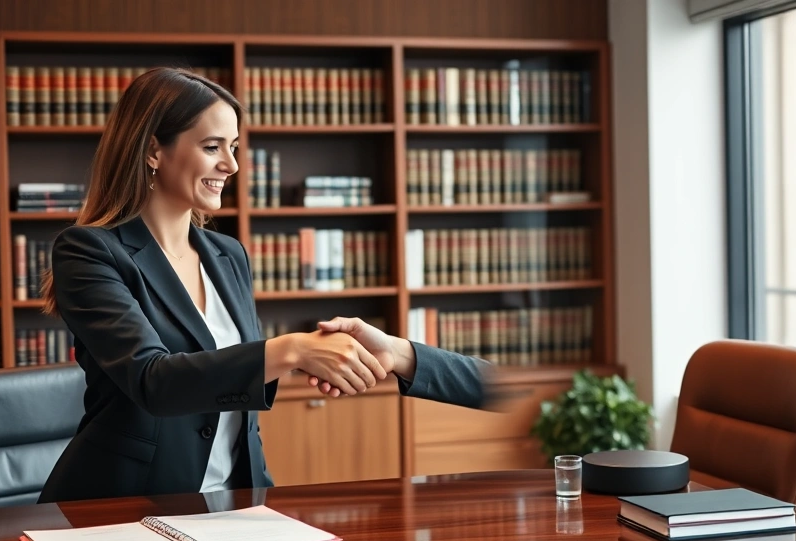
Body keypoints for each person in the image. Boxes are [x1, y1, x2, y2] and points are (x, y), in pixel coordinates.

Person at [37, 68, 489, 504]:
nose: (231, 165)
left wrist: (262, 499)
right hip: (121, 508)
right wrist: (291, 350)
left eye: (233, 147)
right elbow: (154, 381)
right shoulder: (88, 251)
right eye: (212, 146)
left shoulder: (227, 254)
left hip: (235, 503)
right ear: (154, 150)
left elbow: (240, 413)